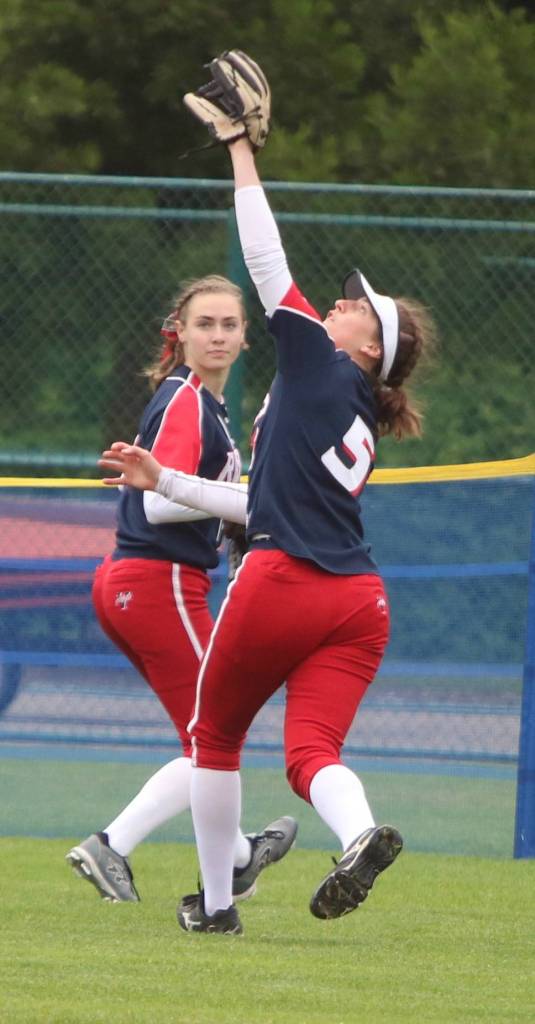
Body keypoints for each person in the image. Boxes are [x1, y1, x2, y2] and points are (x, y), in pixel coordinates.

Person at [100, 126, 437, 936]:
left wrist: (241, 151)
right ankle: (358, 835)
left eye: (357, 309)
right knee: (310, 752)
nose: (341, 304)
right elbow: (257, 504)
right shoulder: (347, 407)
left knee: (213, 736)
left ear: (369, 349)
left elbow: (262, 258)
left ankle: (218, 909)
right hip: (359, 603)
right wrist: (164, 480)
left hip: (284, 582)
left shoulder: (323, 365)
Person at [66, 274, 297, 904]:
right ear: (180, 334)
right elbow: (161, 504)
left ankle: (237, 857)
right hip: (157, 580)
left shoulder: (206, 405)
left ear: (246, 338)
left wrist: (234, 511)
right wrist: (251, 505)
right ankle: (114, 845)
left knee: (205, 735)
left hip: (139, 580)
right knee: (213, 734)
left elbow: (181, 494)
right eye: (205, 324)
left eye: (229, 325)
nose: (218, 335)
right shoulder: (187, 398)